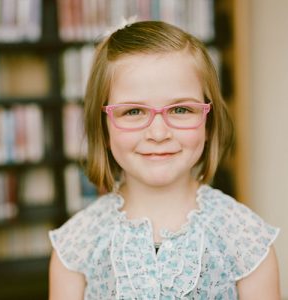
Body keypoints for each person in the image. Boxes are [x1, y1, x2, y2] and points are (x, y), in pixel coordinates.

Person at [48, 21, 280, 299]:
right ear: (104, 128)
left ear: (209, 121)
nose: (158, 133)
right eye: (133, 111)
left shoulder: (248, 241)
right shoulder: (74, 247)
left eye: (181, 109)